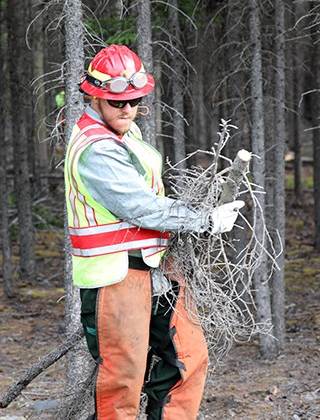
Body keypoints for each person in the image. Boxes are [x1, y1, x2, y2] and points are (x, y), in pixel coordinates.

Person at [64, 44, 244, 420]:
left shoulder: (124, 133)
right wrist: (204, 219)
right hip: (114, 276)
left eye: (134, 100)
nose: (127, 109)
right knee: (122, 381)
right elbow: (139, 206)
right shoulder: (97, 149)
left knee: (189, 359)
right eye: (117, 102)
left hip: (157, 269)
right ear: (94, 97)